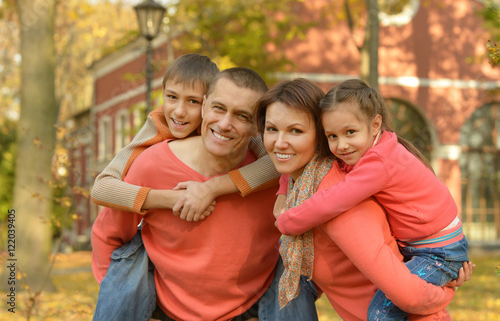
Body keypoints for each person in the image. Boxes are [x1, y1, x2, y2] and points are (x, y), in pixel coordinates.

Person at [91, 68, 319, 321]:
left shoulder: (279, 173)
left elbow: (315, 250)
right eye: (218, 108)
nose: (224, 124)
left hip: (255, 309)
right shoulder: (151, 164)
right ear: (203, 107)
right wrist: (120, 297)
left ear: (258, 126)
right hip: (165, 312)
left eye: (242, 116)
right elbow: (110, 237)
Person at [255, 78, 473, 320]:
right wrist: (282, 193)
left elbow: (408, 293)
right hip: (427, 251)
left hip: (421, 282)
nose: (280, 142)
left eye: (295, 130)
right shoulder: (309, 181)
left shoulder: (335, 190)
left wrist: (445, 290)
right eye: (272, 129)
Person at [91, 53, 279, 220]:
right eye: (172, 97)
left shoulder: (228, 127)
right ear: (163, 92)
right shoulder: (159, 123)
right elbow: (101, 188)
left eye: (193, 101)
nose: (179, 112)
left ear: (208, 103)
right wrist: (173, 199)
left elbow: (275, 164)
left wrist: (212, 188)